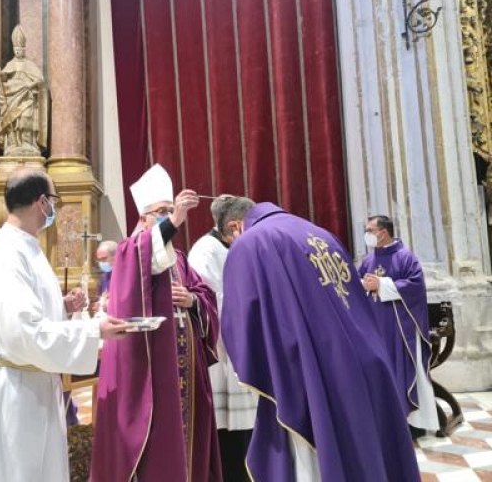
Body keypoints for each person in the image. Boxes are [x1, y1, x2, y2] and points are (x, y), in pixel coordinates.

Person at [219, 198, 421, 481]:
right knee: (368, 452)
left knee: (319, 460)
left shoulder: (252, 241)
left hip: (316, 371)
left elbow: (242, 317)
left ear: (235, 226)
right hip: (367, 359)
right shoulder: (319, 233)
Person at [0, 168, 130, 482]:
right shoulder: (5, 255)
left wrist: (61, 306)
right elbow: (22, 333)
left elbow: (25, 315)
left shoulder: (27, 248)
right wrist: (93, 330)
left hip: (32, 382)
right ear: (41, 203)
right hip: (14, 390)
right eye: (54, 201)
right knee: (18, 471)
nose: (55, 209)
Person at [91, 164, 222, 482]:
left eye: (169, 210)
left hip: (187, 369)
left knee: (190, 443)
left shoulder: (177, 256)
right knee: (161, 452)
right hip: (152, 373)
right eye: (160, 211)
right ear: (142, 218)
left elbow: (204, 293)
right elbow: (146, 257)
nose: (167, 215)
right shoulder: (127, 252)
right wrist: (176, 219)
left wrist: (192, 301)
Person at [188, 196, 257, 482]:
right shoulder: (205, 251)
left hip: (242, 347)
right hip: (223, 353)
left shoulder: (231, 246)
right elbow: (210, 301)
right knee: (229, 432)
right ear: (233, 225)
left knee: (245, 430)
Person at [359, 215, 438, 437]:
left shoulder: (405, 257)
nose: (367, 235)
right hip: (376, 329)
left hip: (401, 330)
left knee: (405, 370)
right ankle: (387, 424)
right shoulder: (368, 260)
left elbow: (415, 286)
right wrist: (365, 285)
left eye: (370, 230)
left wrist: (382, 284)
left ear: (383, 232)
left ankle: (413, 423)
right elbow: (358, 286)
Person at [0, 25, 48, 156]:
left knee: (26, 119)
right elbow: (4, 79)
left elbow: (40, 80)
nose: (19, 52)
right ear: (14, 50)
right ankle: (13, 144)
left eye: (21, 49)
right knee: (13, 120)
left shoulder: (30, 65)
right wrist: (0, 75)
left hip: (27, 98)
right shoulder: (10, 65)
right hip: (13, 98)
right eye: (17, 50)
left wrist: (32, 84)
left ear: (25, 49)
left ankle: (28, 144)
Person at [93, 240, 117, 314]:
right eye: (99, 260)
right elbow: (100, 297)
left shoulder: (125, 276)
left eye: (104, 259)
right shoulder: (104, 277)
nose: (101, 263)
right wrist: (98, 305)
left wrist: (108, 305)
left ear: (116, 256)